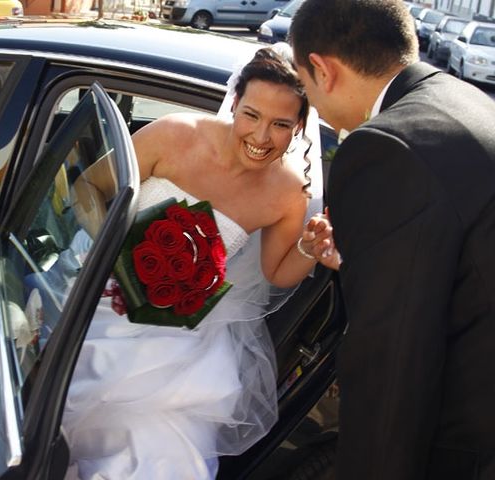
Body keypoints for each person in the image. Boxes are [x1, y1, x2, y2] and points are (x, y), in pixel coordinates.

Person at [61, 46, 336, 480]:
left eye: (281, 124)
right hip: (101, 302)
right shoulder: (173, 135)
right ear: (235, 104)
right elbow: (88, 189)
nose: (261, 137)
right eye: (251, 115)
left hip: (182, 340)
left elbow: (275, 274)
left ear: (299, 126)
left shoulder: (287, 193)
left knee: (165, 453)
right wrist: (116, 251)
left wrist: (308, 250)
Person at [289, 1, 495, 479]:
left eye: (304, 85)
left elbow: (392, 363)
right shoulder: (461, 100)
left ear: (322, 68)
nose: (312, 105)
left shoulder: (385, 145)